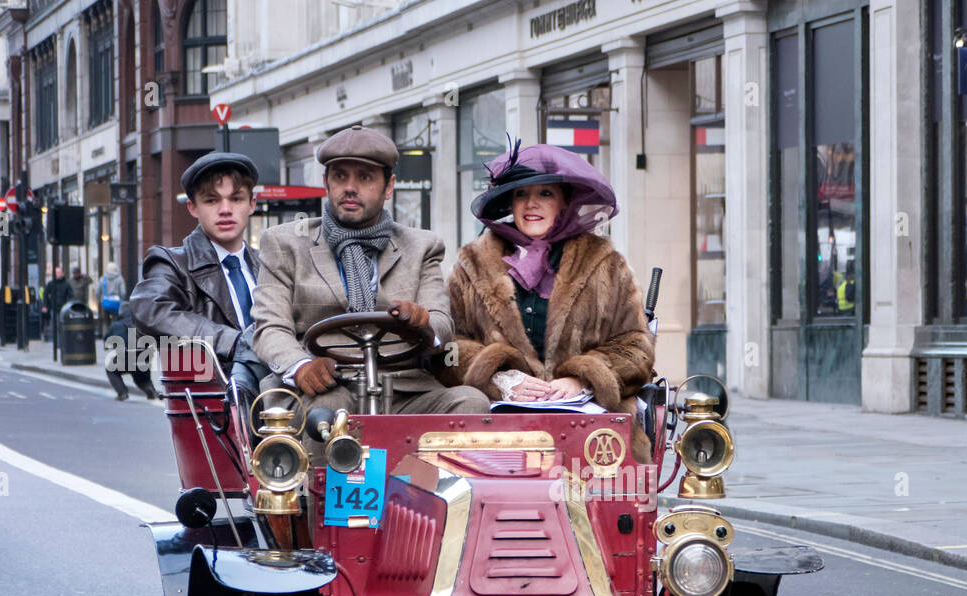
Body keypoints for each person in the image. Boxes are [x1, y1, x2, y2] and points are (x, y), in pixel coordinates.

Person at [252, 124, 487, 421]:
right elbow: (270, 328)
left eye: (365, 178)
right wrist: (300, 366)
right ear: (326, 182)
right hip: (320, 390)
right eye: (340, 176)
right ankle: (321, 470)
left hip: (402, 390)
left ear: (389, 187)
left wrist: (422, 322)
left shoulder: (422, 246)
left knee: (472, 403)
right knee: (331, 411)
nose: (350, 187)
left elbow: (442, 325)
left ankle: (436, 470)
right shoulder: (284, 243)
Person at [444, 140, 655, 462]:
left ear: (564, 203)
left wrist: (584, 378)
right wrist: (500, 377)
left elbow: (636, 347)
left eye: (545, 194)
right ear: (508, 203)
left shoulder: (605, 262)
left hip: (591, 435)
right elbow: (445, 346)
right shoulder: (471, 264)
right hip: (498, 432)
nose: (532, 204)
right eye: (521, 194)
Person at [128, 151, 268, 400]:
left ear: (252, 204)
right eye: (212, 201)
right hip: (214, 411)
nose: (225, 210)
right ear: (193, 207)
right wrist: (235, 342)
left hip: (279, 404)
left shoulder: (269, 264)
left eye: (236, 199)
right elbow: (150, 310)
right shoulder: (172, 263)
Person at [104, 299, 159, 401]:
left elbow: (106, 341)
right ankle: (150, 389)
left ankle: (122, 392)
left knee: (111, 369)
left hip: (125, 358)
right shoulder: (142, 324)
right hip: (144, 357)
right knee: (141, 375)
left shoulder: (116, 325)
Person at [98, 262, 126, 333]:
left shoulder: (102, 279)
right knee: (116, 321)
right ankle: (115, 338)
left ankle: (106, 338)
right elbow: (123, 292)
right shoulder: (120, 279)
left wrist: (100, 300)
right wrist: (121, 300)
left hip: (105, 303)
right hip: (116, 304)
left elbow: (97, 291)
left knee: (105, 322)